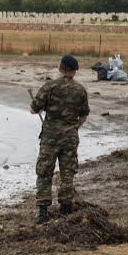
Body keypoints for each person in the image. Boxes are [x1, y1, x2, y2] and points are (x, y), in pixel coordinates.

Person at [30, 54, 90, 224]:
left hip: (50, 137)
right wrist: (73, 128)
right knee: (68, 173)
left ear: (60, 68)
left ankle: (43, 212)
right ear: (75, 71)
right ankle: (65, 208)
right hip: (70, 137)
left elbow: (34, 109)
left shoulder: (50, 87)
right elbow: (84, 116)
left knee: (44, 172)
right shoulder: (80, 90)